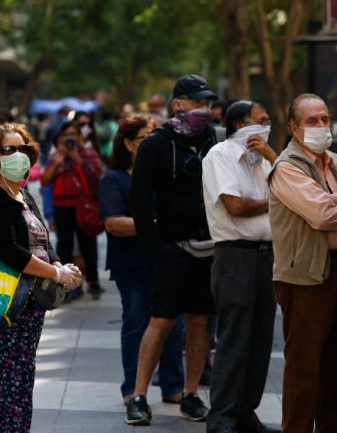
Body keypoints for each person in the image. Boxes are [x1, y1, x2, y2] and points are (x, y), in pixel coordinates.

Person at [0, 122, 82, 432]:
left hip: (30, 303)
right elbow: (8, 250)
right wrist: (55, 272)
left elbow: (43, 241)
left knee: (23, 381)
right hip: (6, 302)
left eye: (23, 148)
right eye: (9, 149)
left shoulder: (22, 193)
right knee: (11, 384)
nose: (18, 154)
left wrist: (63, 265)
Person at [125, 74, 218, 425]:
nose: (203, 109)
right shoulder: (156, 144)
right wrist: (155, 243)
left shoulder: (212, 138)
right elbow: (139, 198)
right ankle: (138, 396)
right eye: (197, 103)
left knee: (199, 323)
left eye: (207, 103)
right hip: (171, 247)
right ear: (178, 104)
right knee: (161, 322)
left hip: (207, 246)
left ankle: (191, 393)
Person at [268, 93, 337, 432]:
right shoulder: (287, 167)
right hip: (305, 276)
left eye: (324, 118)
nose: (322, 125)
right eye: (312, 120)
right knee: (304, 368)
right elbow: (321, 215)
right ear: (293, 127)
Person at [98, 116, 186, 421]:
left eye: (153, 138)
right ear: (127, 143)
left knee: (174, 325)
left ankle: (174, 386)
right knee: (137, 322)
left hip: (168, 260)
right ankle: (133, 389)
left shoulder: (166, 178)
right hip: (132, 264)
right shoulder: (114, 180)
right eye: (143, 139)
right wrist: (157, 226)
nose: (150, 145)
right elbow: (113, 223)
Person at [202, 101, 279, 433]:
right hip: (235, 256)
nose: (265, 127)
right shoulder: (219, 155)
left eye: (267, 121)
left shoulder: (264, 162)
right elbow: (235, 206)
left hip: (267, 255)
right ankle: (223, 417)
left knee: (260, 340)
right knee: (234, 338)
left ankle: (247, 411)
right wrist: (275, 202)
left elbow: (297, 186)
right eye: (259, 122)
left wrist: (274, 156)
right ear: (239, 125)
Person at [40, 121, 104, 300]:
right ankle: (66, 285)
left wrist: (77, 159)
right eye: (66, 134)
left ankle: (93, 282)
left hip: (84, 207)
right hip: (62, 207)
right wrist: (57, 162)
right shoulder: (56, 156)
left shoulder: (88, 153)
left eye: (73, 134)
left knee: (88, 245)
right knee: (64, 245)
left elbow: (97, 174)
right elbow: (44, 181)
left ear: (80, 136)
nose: (70, 137)